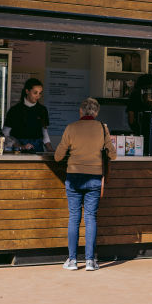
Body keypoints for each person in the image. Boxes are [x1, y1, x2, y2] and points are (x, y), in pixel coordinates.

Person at [54, 97, 118, 271]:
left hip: (74, 177)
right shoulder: (102, 128)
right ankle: (90, 261)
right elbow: (113, 155)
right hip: (94, 178)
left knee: (74, 217)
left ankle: (72, 261)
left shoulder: (71, 128)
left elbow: (58, 156)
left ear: (80, 111)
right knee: (91, 218)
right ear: (96, 113)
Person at [4, 78, 52, 152]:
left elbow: (44, 133)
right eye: (35, 93)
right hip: (18, 150)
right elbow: (5, 134)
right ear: (27, 91)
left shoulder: (42, 110)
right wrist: (19, 146)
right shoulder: (15, 110)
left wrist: (50, 149)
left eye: (40, 93)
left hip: (38, 149)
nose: (38, 96)